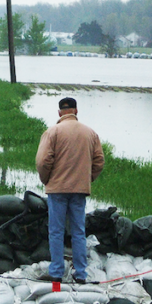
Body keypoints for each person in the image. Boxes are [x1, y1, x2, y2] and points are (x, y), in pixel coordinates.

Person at [35, 96, 104, 284]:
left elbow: (42, 161)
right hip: (80, 190)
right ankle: (80, 274)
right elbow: (99, 161)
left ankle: (57, 272)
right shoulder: (90, 133)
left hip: (57, 189)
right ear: (76, 111)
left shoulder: (52, 132)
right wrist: (87, 179)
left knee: (56, 231)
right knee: (78, 232)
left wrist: (46, 179)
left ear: (59, 113)